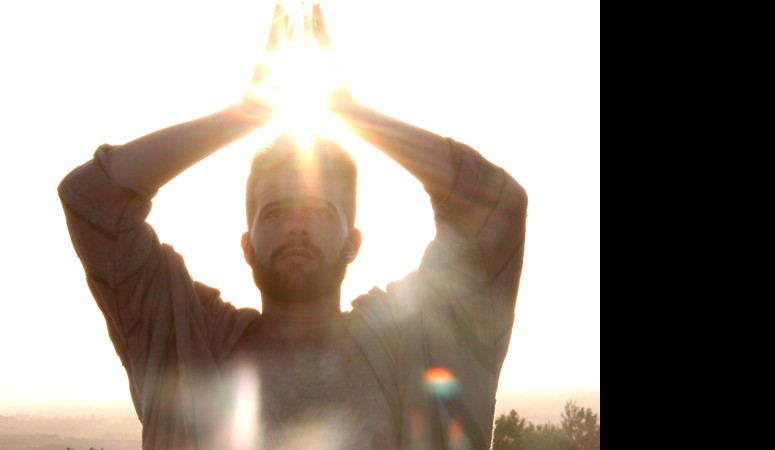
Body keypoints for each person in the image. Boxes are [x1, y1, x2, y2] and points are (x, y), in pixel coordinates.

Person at [58, 3, 527, 449]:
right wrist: (242, 115)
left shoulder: (410, 343)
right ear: (246, 245)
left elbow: (495, 206)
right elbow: (95, 200)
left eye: (322, 211)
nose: (298, 226)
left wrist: (352, 112)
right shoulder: (186, 342)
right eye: (276, 212)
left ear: (353, 242)